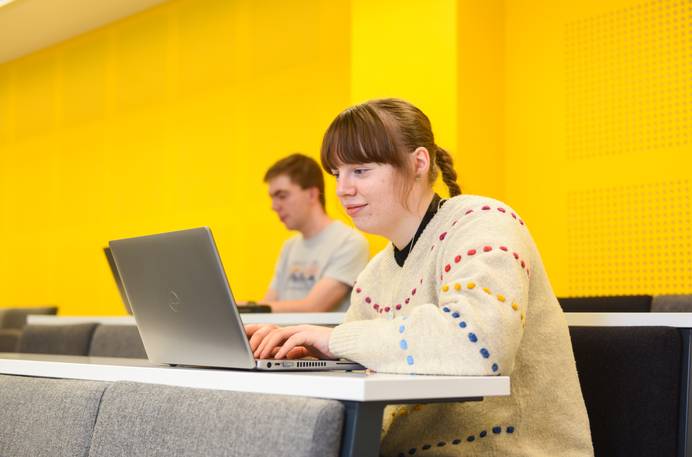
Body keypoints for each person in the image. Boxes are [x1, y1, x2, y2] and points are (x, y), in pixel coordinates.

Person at [247, 99, 594, 456]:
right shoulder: (373, 277)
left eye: (361, 170)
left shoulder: (485, 222)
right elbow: (365, 355)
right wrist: (315, 357)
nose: (342, 189)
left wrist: (336, 341)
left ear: (418, 163)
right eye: (338, 173)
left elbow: (478, 345)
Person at [260, 153, 369, 312]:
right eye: (272, 198)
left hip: (318, 337)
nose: (274, 206)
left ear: (312, 194)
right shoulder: (289, 246)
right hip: (282, 336)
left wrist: (246, 308)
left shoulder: (349, 242)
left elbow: (313, 307)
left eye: (282, 196)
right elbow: (268, 303)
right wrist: (242, 309)